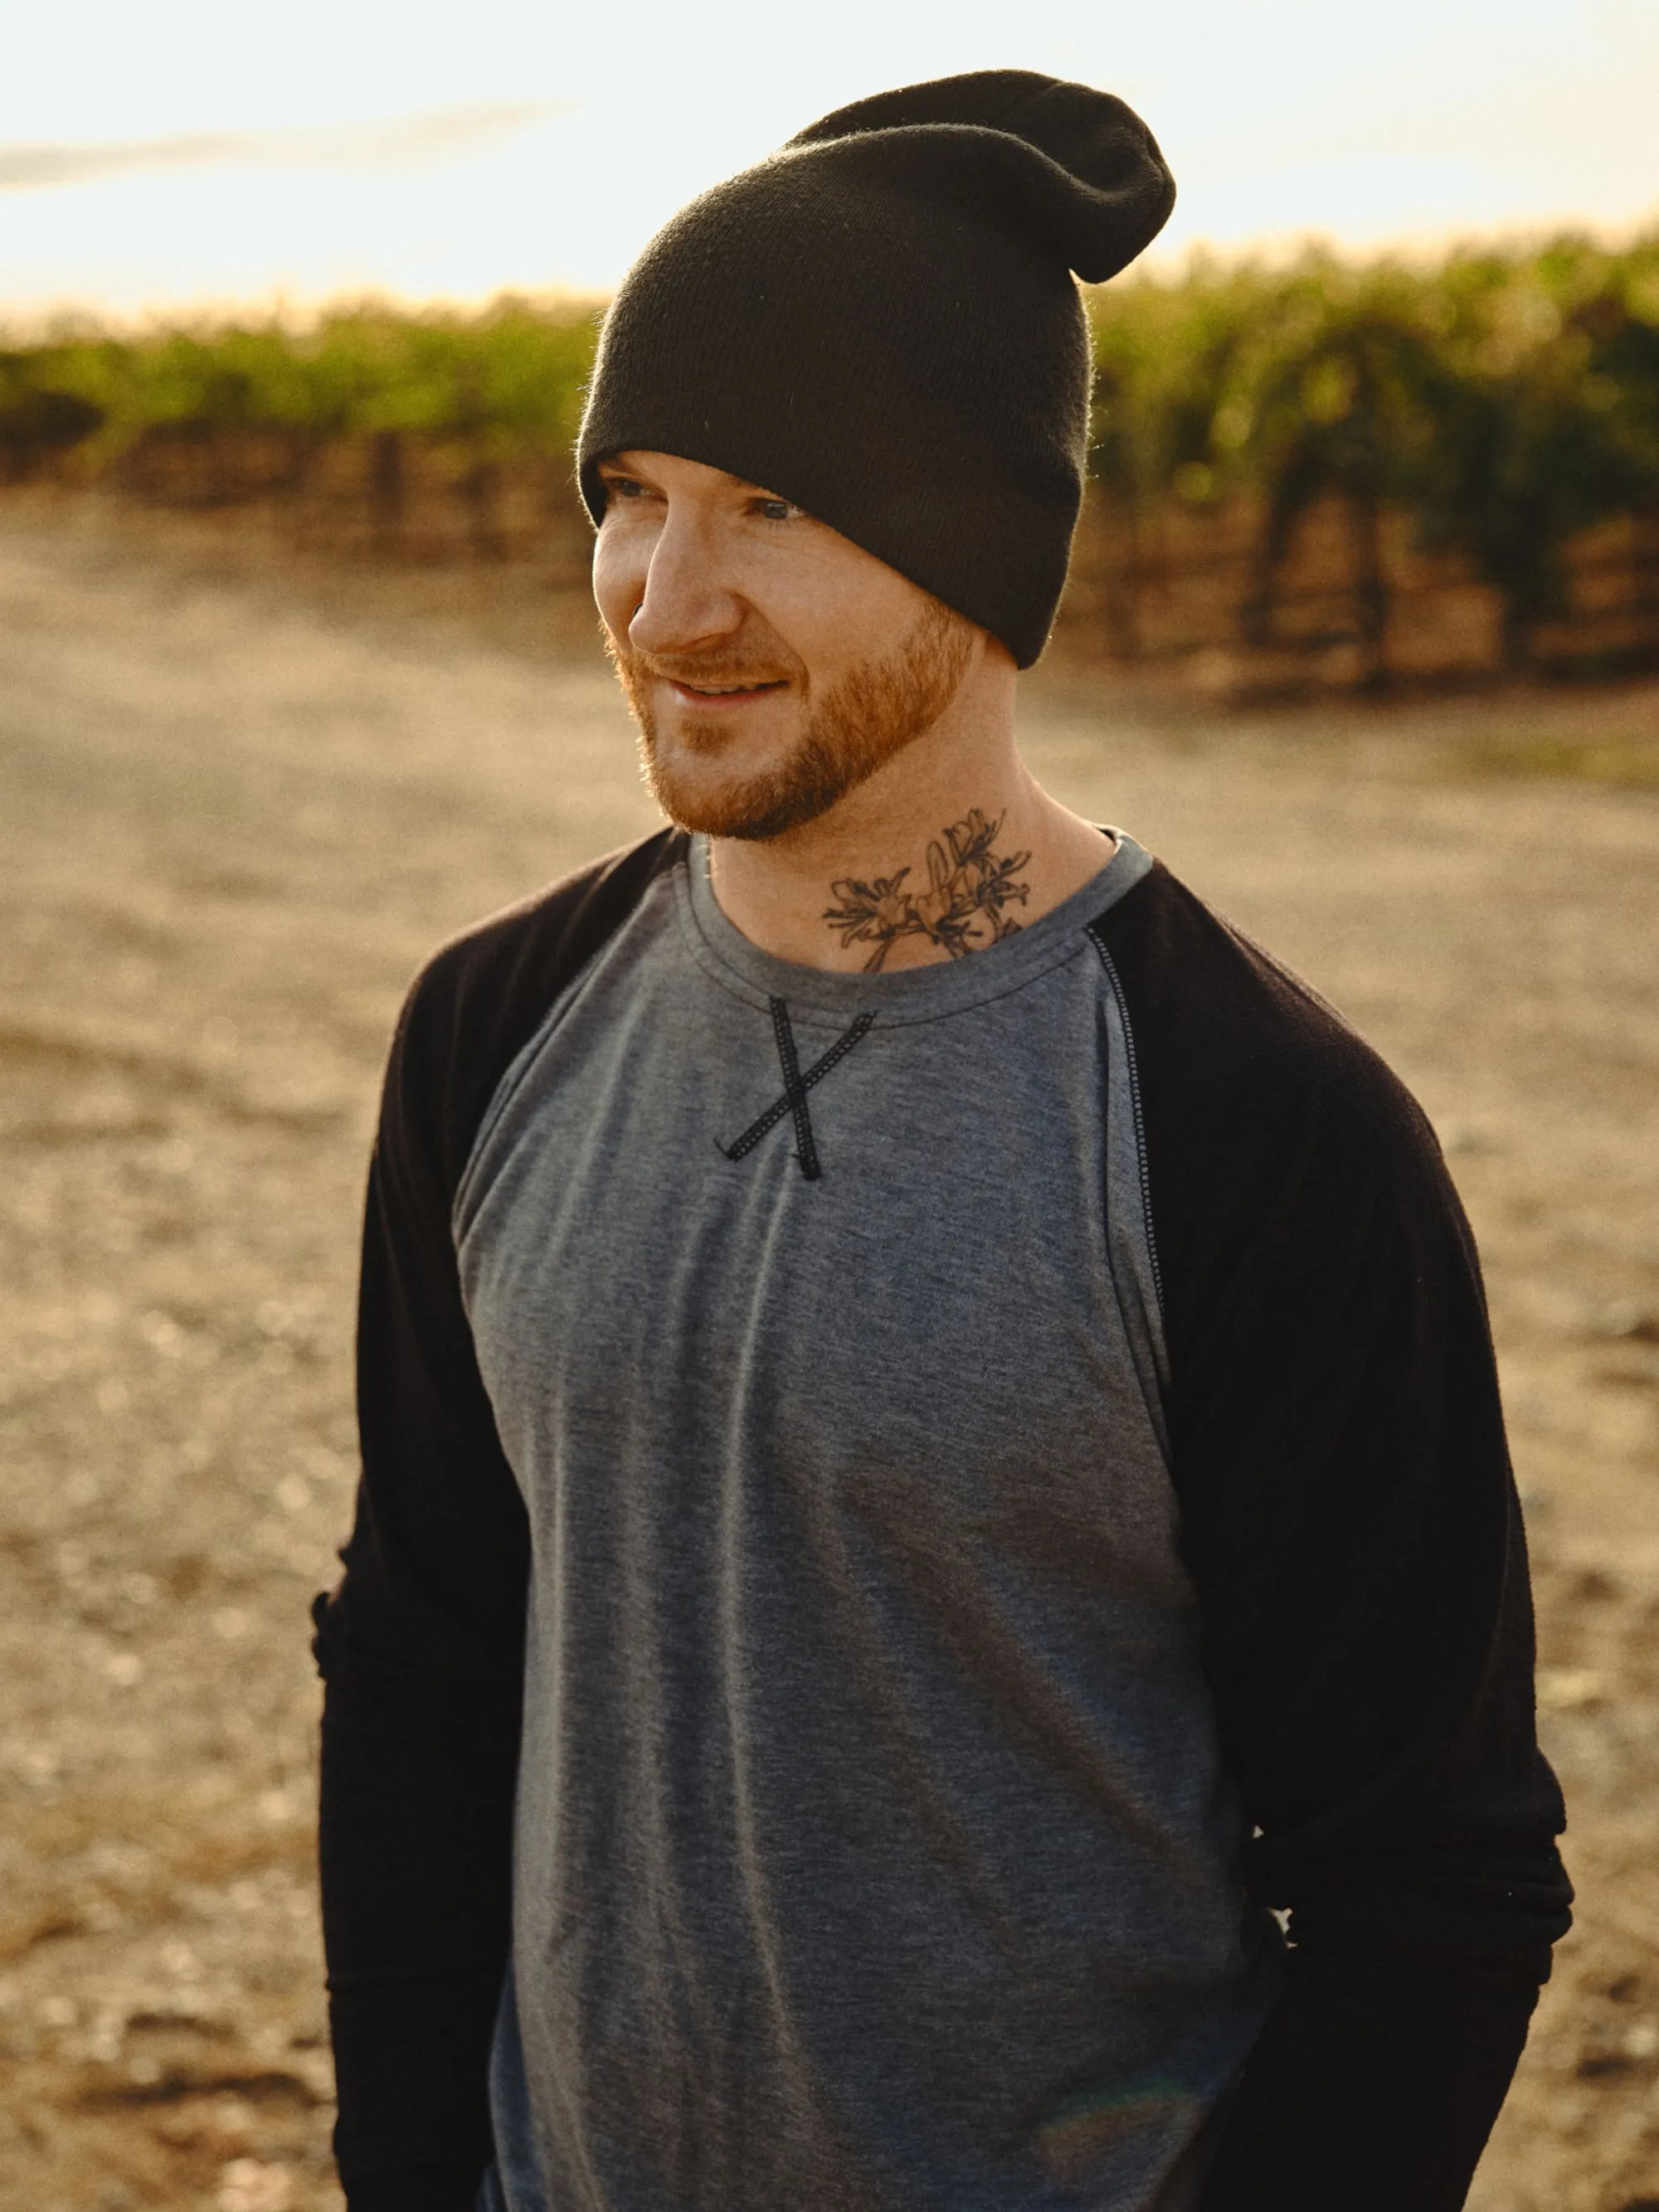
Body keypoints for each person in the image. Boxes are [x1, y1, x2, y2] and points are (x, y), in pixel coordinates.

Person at [312, 70, 1571, 2212]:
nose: (663, 595)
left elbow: (1428, 1887)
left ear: (980, 542)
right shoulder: (491, 1033)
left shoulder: (1256, 1129)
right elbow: (426, 1662)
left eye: (779, 508)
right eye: (635, 490)